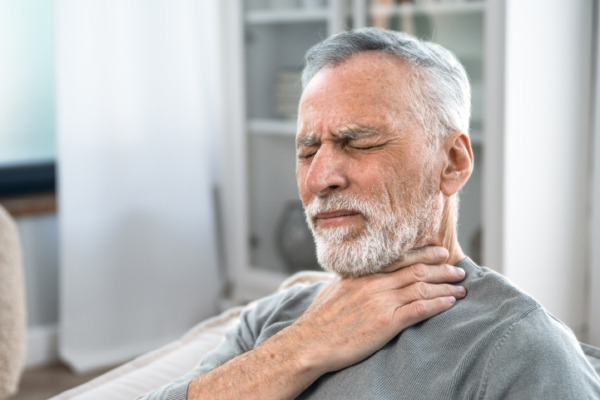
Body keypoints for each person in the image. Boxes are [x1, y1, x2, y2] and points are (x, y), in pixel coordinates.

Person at [142, 28, 600, 399]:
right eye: (306, 151)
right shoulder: (272, 319)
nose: (320, 178)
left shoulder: (514, 350)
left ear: (453, 163)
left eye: (360, 143)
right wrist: (302, 348)